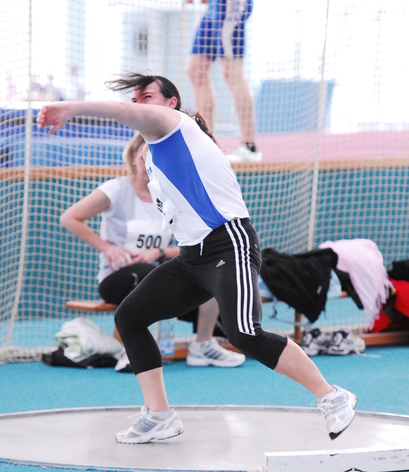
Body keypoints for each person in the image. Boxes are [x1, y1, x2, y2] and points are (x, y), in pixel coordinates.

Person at [37, 73, 357, 445]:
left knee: (245, 334)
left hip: (228, 244)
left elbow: (126, 114)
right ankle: (159, 415)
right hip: (192, 257)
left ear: (171, 102)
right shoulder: (154, 154)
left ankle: (332, 396)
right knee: (129, 317)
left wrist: (71, 108)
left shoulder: (177, 124)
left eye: (147, 96)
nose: (139, 104)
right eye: (136, 98)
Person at [60, 130, 245, 370]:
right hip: (118, 277)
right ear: (134, 158)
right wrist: (107, 248)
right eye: (143, 158)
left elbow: (194, 243)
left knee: (210, 270)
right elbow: (69, 218)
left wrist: (158, 252)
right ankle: (132, 349)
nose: (148, 165)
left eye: (154, 160)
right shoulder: (115, 190)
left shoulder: (172, 195)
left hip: (157, 271)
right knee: (147, 273)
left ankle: (203, 345)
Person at [186, 0, 261, 163]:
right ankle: (208, 143)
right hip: (216, 5)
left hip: (230, 4)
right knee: (196, 71)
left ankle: (250, 147)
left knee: (232, 72)